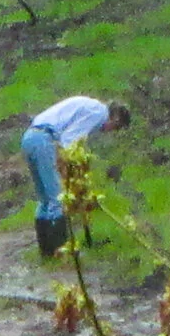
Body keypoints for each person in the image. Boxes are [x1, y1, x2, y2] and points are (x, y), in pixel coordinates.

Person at [20, 94, 124, 256]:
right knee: (57, 198)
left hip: (30, 137)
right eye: (115, 129)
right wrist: (76, 172)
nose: (109, 132)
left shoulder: (91, 106)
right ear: (115, 119)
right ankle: (60, 250)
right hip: (43, 140)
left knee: (45, 199)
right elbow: (69, 141)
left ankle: (46, 252)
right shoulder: (99, 113)